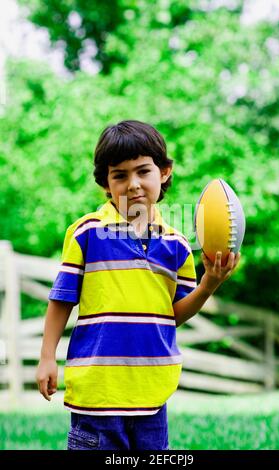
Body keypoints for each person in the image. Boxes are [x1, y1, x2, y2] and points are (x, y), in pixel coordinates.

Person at [36, 119, 240, 450]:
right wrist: (47, 357)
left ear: (164, 172)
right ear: (105, 184)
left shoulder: (177, 244)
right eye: (120, 175)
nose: (133, 184)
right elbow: (61, 299)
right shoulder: (86, 232)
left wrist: (208, 286)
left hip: (151, 394)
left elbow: (171, 314)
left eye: (143, 171)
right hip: (97, 393)